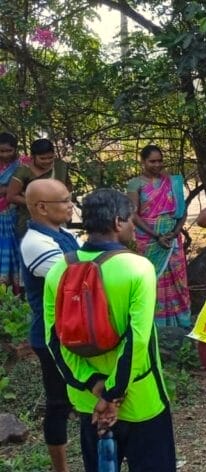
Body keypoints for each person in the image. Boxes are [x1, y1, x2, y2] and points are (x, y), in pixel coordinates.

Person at [43, 189, 176, 472]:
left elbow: (54, 341)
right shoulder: (138, 268)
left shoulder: (57, 271)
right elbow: (137, 340)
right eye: (130, 219)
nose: (133, 226)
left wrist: (95, 387)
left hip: (89, 402)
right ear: (117, 222)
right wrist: (112, 394)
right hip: (140, 399)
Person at [19, 179, 78, 472]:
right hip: (51, 335)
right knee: (58, 404)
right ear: (42, 208)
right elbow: (77, 276)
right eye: (64, 200)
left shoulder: (64, 234)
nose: (70, 205)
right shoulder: (35, 243)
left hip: (73, 331)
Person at [126, 145, 191, 328]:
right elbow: (133, 214)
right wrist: (156, 235)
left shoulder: (172, 182)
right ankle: (156, 325)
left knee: (178, 281)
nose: (157, 165)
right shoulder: (135, 184)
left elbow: (182, 210)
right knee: (152, 280)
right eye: (152, 161)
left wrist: (175, 232)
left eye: (160, 161)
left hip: (172, 239)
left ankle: (182, 323)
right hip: (148, 239)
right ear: (143, 161)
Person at [7, 138, 72, 237]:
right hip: (30, 219)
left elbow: (68, 187)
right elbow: (11, 196)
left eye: (50, 158)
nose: (47, 161)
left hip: (57, 217)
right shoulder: (23, 171)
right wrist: (37, 204)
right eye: (42, 158)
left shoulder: (60, 166)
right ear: (33, 157)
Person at [0, 132, 23, 291]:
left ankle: (16, 288)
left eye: (9, 150)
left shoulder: (23, 164)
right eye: (1, 151)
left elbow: (28, 185)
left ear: (15, 149)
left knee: (16, 247)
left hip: (16, 214)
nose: (5, 154)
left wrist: (6, 190)